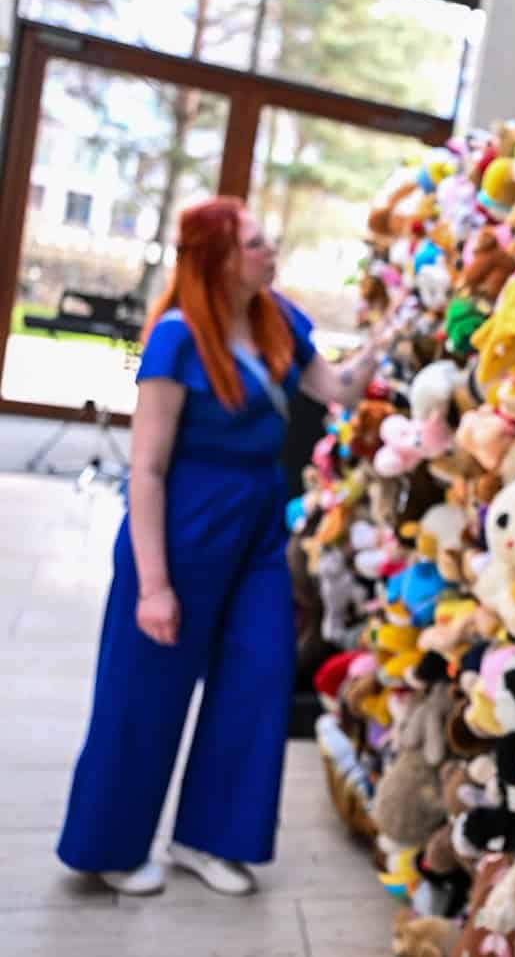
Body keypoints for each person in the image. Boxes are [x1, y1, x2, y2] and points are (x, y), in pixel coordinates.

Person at [57, 197, 391, 896]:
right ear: (219, 257)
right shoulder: (178, 337)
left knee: (259, 673)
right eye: (258, 244)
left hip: (259, 523)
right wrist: (154, 585)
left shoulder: (279, 320)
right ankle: (108, 847)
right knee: (144, 687)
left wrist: (384, 339)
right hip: (181, 524)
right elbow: (145, 469)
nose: (272, 253)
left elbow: (337, 390)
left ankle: (208, 838)